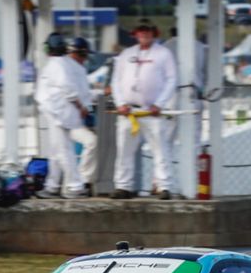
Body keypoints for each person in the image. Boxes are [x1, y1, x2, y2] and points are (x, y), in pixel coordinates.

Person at [111, 21, 178, 199]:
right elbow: (116, 80)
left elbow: (172, 80)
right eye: (141, 31)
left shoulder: (164, 53)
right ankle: (123, 186)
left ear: (154, 33)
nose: (144, 34)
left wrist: (160, 103)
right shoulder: (126, 54)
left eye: (147, 31)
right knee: (124, 150)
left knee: (160, 149)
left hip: (151, 112)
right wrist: (120, 103)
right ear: (135, 34)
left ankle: (164, 186)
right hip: (129, 112)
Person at [34, 33, 96, 198]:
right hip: (59, 113)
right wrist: (83, 107)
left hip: (59, 113)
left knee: (63, 150)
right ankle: (52, 185)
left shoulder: (57, 64)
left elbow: (68, 88)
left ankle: (75, 186)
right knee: (56, 151)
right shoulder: (66, 64)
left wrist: (80, 106)